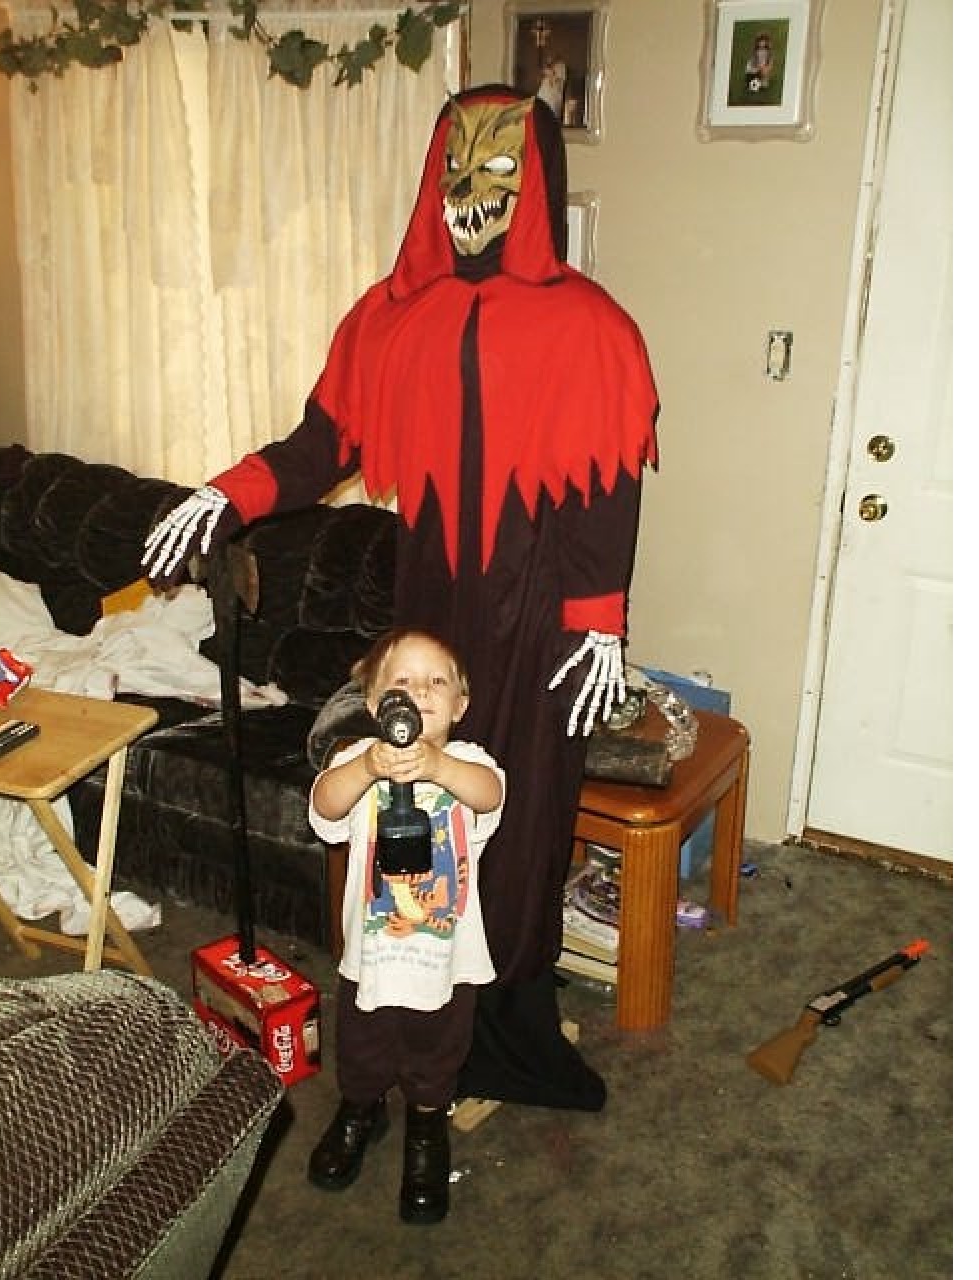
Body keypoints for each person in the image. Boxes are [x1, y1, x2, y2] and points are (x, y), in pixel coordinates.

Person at [143, 85, 659, 1112]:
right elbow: (319, 445)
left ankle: (506, 1024)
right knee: (414, 806)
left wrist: (598, 621)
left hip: (544, 624)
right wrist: (225, 494)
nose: (472, 195)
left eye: (497, 170)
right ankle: (418, 1020)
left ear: (536, 181)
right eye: (454, 171)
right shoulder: (388, 317)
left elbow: (607, 484)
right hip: (430, 623)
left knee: (523, 817)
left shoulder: (589, 325)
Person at [306, 627, 505, 1225]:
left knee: (436, 1051)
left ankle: (426, 1127)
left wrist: (438, 766)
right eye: (403, 681)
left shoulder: (468, 765)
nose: (419, 691)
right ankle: (359, 1109)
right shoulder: (356, 762)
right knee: (361, 1044)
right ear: (374, 704)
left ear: (460, 706)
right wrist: (366, 766)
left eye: (436, 681)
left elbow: (490, 796)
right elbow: (324, 807)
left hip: (447, 959)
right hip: (372, 954)